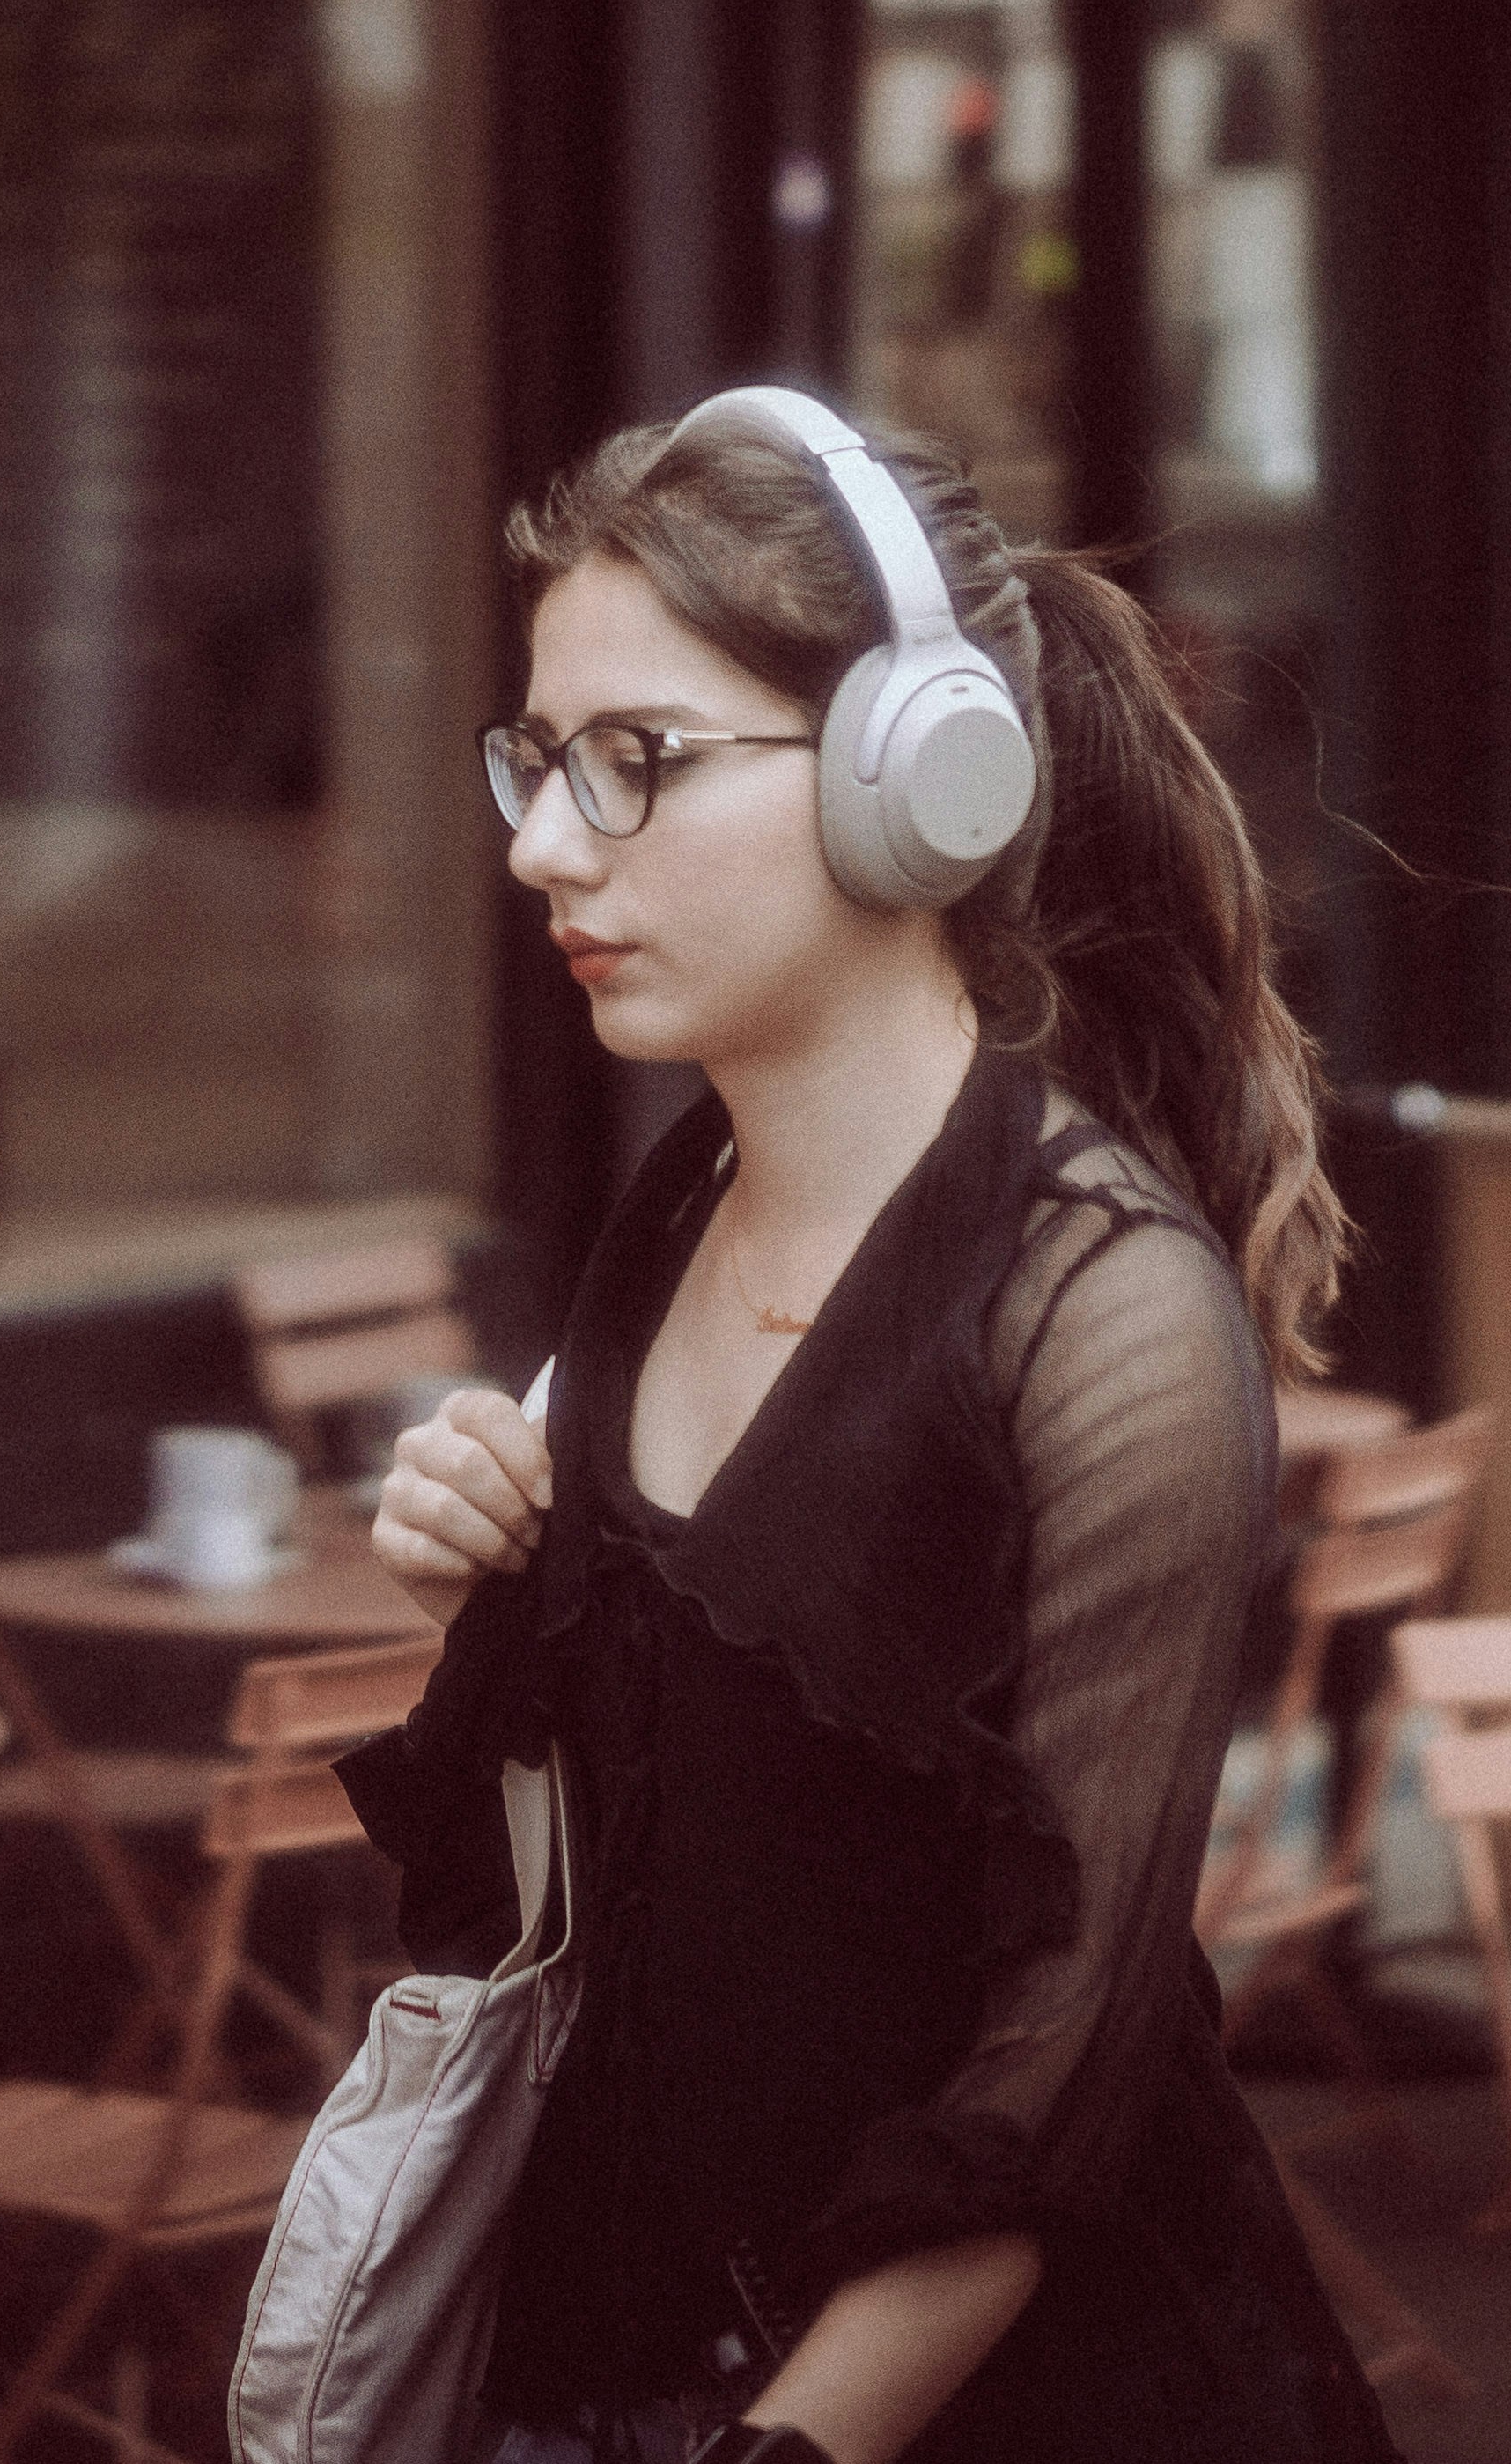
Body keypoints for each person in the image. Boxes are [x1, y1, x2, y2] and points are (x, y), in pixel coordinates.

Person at [341, 391, 1403, 2464]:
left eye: (633, 764)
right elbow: (626, 1920)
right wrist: (474, 1588)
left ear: (913, 781)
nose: (541, 844)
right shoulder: (664, 1225)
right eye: (538, 762)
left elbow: (1047, 2094)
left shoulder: (1103, 1319)